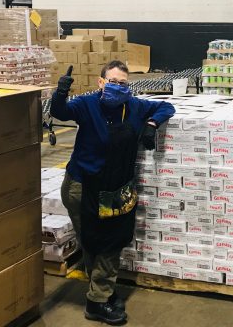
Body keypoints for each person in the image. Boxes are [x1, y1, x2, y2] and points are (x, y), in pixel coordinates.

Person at [51, 60, 175, 324]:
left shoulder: (134, 106)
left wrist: (152, 124)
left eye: (123, 83)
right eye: (113, 81)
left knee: (110, 242)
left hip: (115, 189)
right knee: (93, 242)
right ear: (101, 82)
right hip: (82, 187)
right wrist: (60, 92)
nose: (118, 87)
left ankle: (100, 294)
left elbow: (167, 106)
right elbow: (60, 112)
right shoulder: (87, 105)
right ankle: (98, 299)